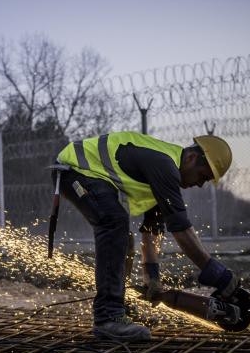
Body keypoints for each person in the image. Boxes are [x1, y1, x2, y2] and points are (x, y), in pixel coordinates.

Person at [53, 131, 239, 341]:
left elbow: (152, 231)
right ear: (191, 158)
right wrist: (214, 271)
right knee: (114, 223)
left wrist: (152, 277)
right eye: (203, 176)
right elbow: (181, 229)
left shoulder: (164, 174)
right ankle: (108, 317)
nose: (200, 184)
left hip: (85, 175)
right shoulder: (165, 166)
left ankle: (117, 307)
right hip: (74, 170)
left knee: (123, 236)